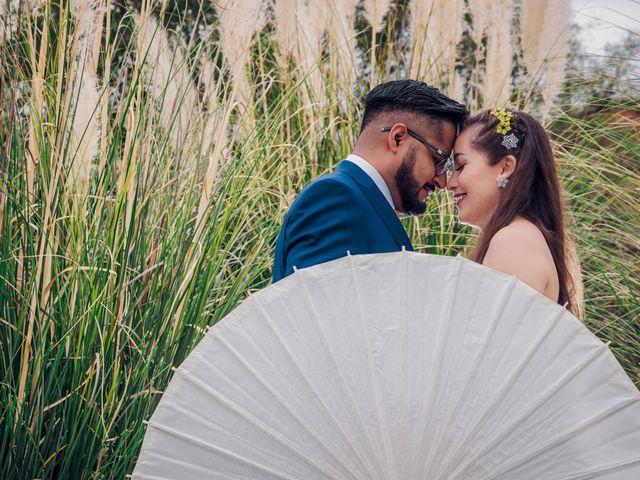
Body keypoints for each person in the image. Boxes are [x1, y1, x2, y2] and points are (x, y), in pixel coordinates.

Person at [272, 80, 468, 283]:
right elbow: (317, 309)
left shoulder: (362, 203)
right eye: (438, 161)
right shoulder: (336, 198)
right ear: (398, 138)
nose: (442, 181)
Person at [447, 107, 583, 315]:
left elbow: (494, 342)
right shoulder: (520, 236)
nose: (450, 183)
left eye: (461, 166)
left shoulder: (514, 241)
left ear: (505, 167)